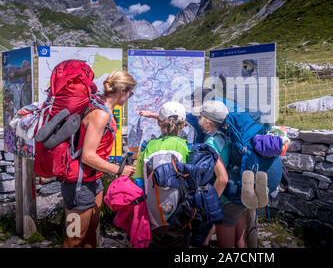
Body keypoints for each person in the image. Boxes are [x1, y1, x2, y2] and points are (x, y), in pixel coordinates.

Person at [135, 101, 228, 248]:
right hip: (180, 217)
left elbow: (139, 182)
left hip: (152, 217)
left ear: (159, 122)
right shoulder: (188, 148)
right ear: (183, 125)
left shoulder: (146, 147)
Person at [61, 70, 137, 248]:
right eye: (130, 93)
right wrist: (119, 170)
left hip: (94, 180)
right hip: (79, 183)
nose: (129, 97)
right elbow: (88, 156)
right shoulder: (100, 114)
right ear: (121, 91)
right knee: (73, 239)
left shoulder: (103, 108)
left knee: (90, 235)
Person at [196, 100, 249, 248]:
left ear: (208, 122)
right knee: (240, 241)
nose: (198, 119)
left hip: (227, 199)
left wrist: (211, 204)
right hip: (240, 191)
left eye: (201, 117)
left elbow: (223, 178)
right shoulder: (228, 135)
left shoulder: (211, 144)